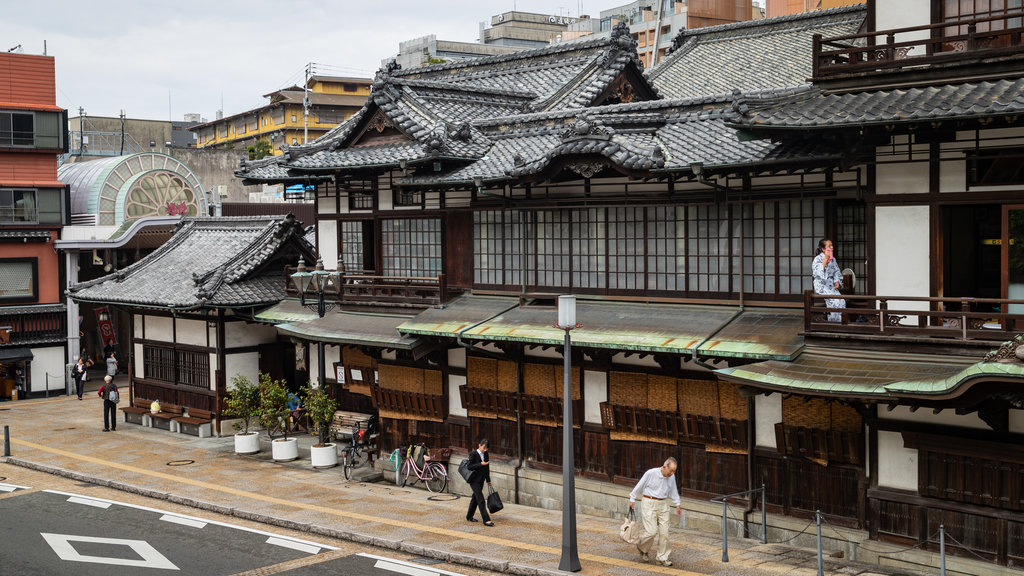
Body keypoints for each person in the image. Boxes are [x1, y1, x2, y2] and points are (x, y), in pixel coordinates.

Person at [629, 457, 682, 567]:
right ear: (664, 467)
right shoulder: (651, 473)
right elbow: (640, 485)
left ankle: (662, 557)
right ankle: (642, 547)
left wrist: (677, 504)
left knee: (664, 533)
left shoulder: (671, 477)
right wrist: (632, 498)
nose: (672, 473)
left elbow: (673, 490)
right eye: (671, 470)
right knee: (652, 531)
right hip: (649, 502)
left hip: (663, 504)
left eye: (674, 471)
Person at [812, 238, 845, 323]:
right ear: (823, 249)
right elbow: (817, 273)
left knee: (841, 301)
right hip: (822, 285)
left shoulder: (833, 259)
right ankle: (833, 322)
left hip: (831, 285)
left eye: (832, 245)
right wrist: (825, 259)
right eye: (829, 246)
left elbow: (836, 271)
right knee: (834, 301)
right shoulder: (817, 259)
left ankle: (840, 321)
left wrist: (837, 280)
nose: (832, 247)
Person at [465, 438, 494, 526]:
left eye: (486, 448)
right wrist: (480, 464)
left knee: (475, 498)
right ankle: (486, 520)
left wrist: (488, 480)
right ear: (479, 445)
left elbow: (487, 468)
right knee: (480, 499)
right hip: (473, 480)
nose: (485, 450)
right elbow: (469, 466)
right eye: (484, 448)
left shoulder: (486, 454)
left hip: (481, 479)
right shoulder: (473, 453)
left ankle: (469, 516)